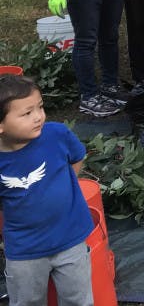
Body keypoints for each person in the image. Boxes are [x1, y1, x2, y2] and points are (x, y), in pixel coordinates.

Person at [0, 75, 95, 306]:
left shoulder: (56, 135)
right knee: (27, 301)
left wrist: (59, 185)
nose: (38, 117)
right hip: (25, 249)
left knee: (79, 300)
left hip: (70, 238)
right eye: (26, 113)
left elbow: (77, 158)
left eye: (40, 107)